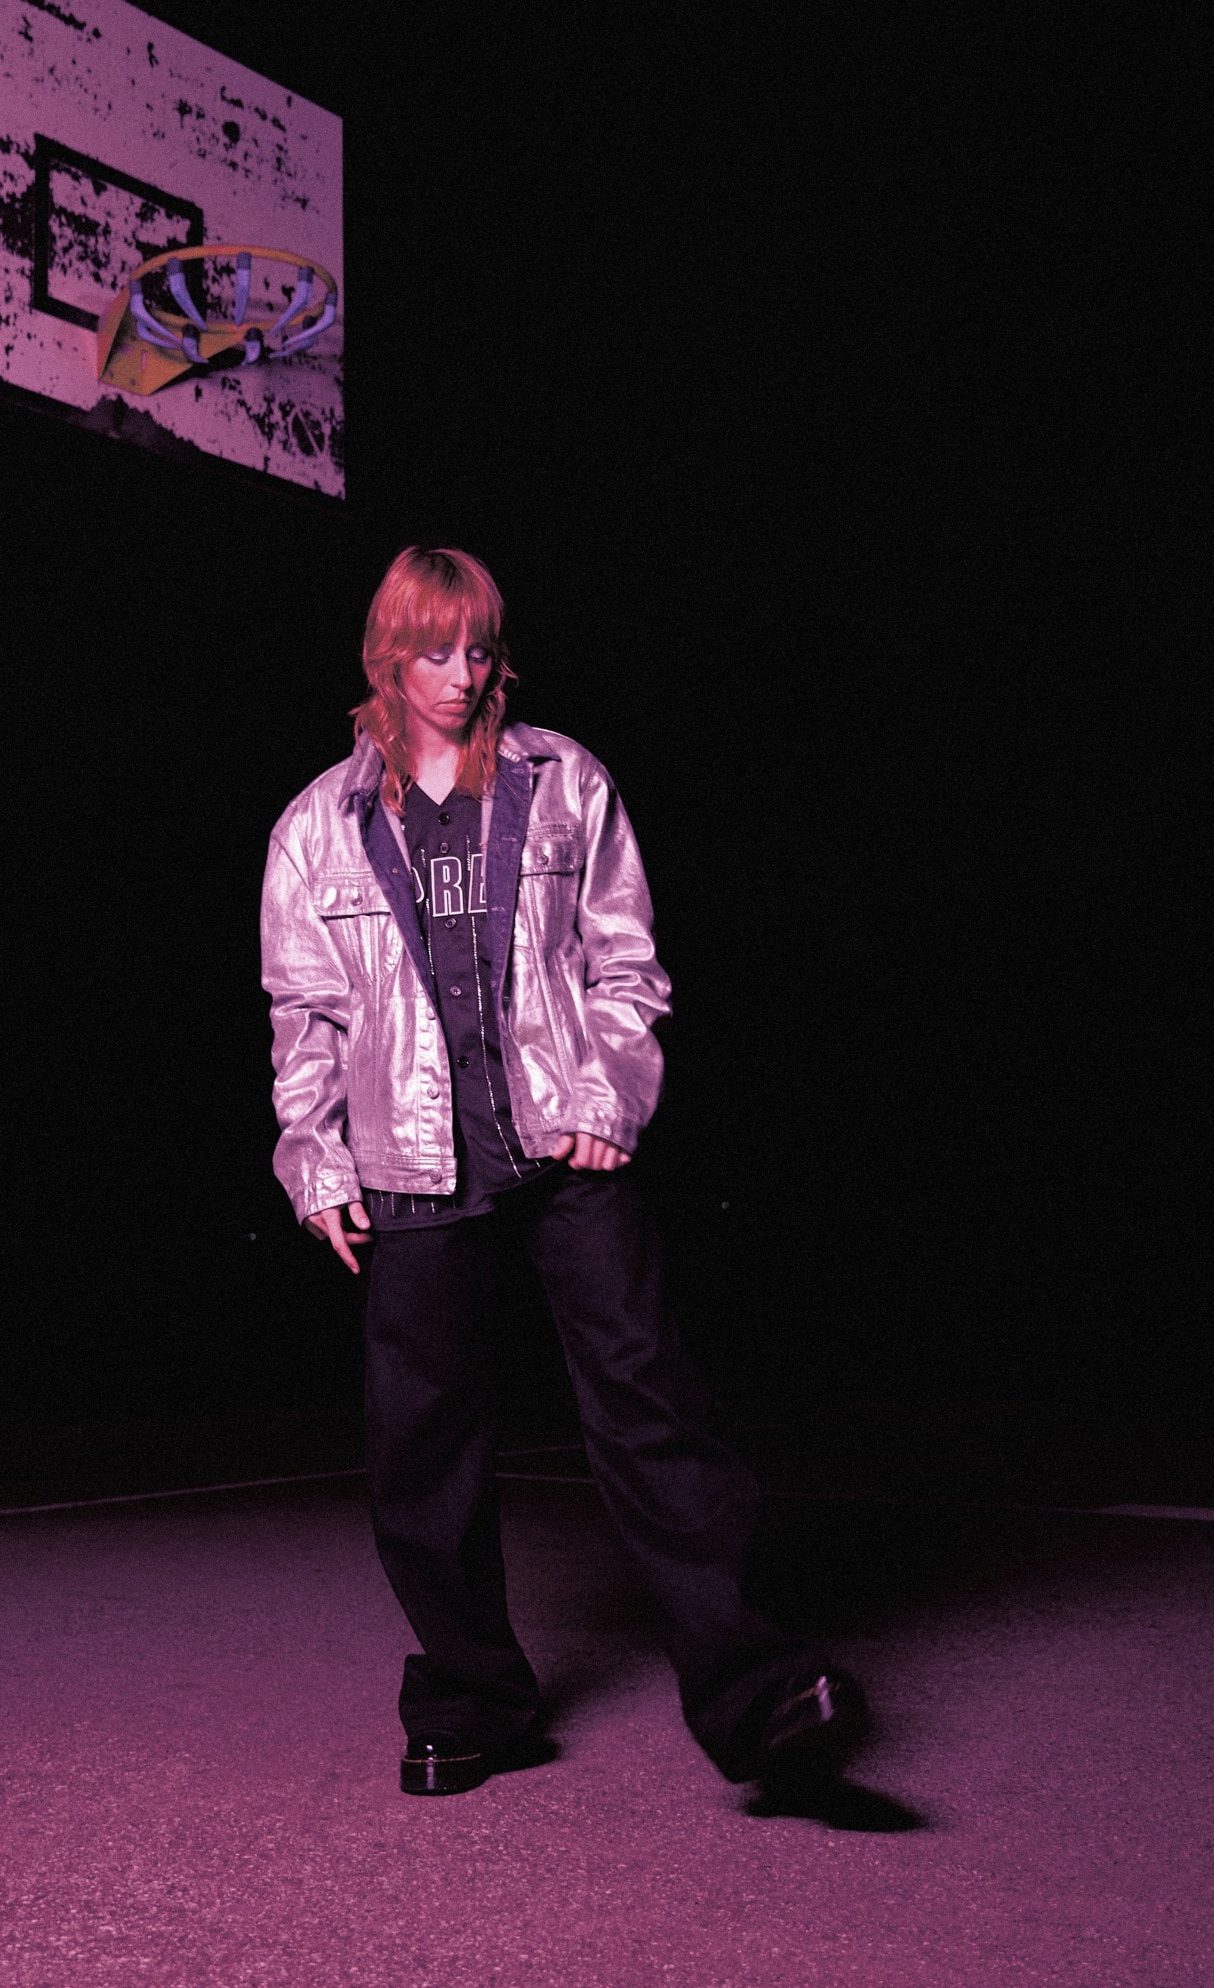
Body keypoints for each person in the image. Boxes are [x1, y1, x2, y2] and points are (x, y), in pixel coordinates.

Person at [258, 545, 867, 1799]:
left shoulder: (565, 780)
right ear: (387, 653)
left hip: (565, 1146)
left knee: (651, 1408)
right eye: (433, 649)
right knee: (420, 1450)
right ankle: (473, 1699)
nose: (460, 674)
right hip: (411, 1166)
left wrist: (603, 1093)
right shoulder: (317, 824)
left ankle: (758, 1697)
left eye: (478, 648)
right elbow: (303, 1010)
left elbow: (626, 962)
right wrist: (314, 1160)